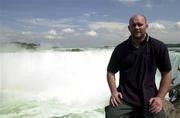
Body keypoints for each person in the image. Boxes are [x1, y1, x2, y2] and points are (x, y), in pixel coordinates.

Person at [105, 14, 172, 118]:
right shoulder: (120, 49)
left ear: (146, 26)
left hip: (149, 98)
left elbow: (166, 73)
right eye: (133, 25)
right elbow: (110, 72)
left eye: (140, 24)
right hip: (125, 98)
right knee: (112, 115)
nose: (137, 27)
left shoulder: (159, 47)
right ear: (129, 28)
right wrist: (114, 92)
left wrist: (160, 98)